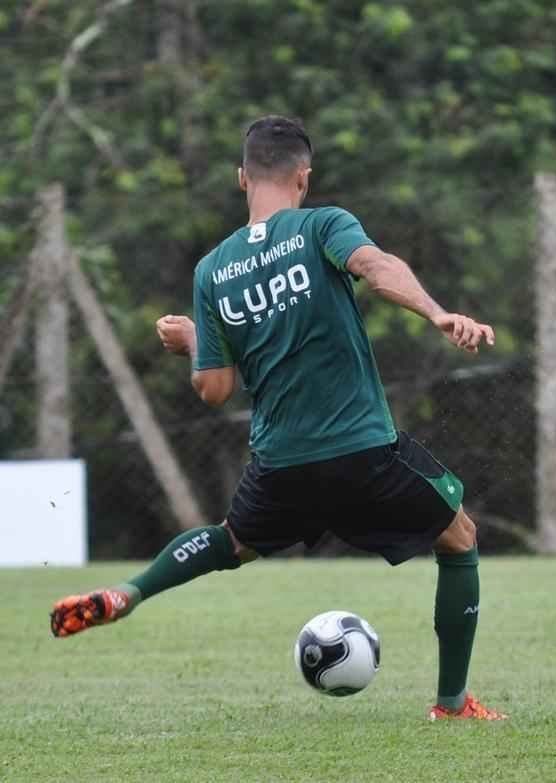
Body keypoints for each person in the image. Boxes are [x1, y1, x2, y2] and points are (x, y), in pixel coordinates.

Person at [49, 116, 507, 720]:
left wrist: (197, 344)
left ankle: (128, 593)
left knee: (229, 540)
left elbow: (213, 389)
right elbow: (375, 265)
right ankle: (451, 705)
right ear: (303, 177)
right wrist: (436, 312)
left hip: (281, 465)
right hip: (360, 450)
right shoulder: (321, 225)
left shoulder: (213, 270)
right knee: (460, 537)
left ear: (242, 177)